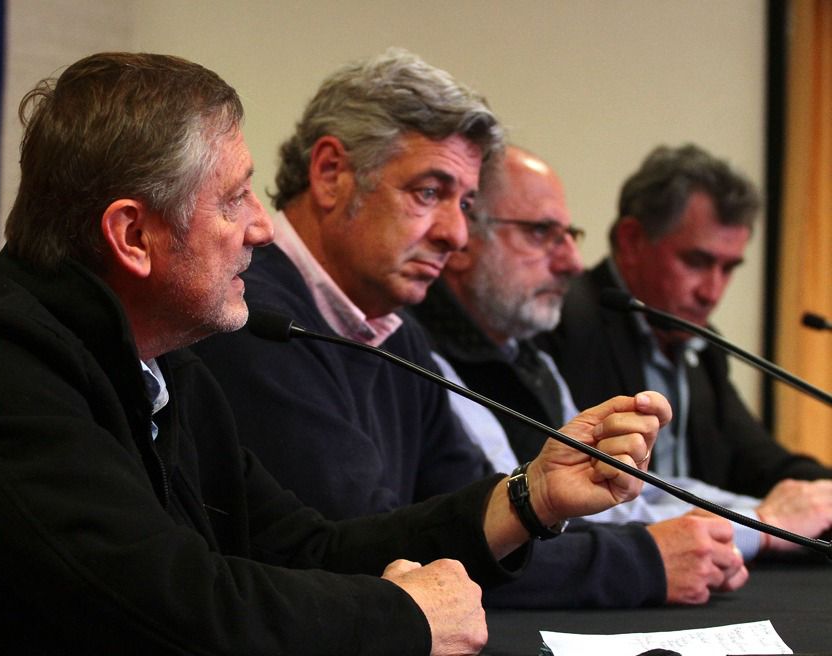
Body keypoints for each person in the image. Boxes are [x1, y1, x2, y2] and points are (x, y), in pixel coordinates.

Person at [0, 52, 665, 655]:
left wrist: (530, 497)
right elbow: (176, 612)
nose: (263, 226)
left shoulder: (160, 363)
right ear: (133, 235)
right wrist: (403, 618)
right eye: (234, 198)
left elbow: (307, 549)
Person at [192, 49, 699, 608]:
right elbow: (364, 553)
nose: (456, 235)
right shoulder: (250, 318)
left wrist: (536, 495)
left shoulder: (397, 331)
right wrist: (638, 561)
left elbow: (468, 510)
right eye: (429, 193)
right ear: (331, 173)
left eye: (466, 203)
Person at [413, 146, 830, 599]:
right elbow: (548, 511)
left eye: (728, 268)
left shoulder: (532, 351)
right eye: (540, 233)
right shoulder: (558, 326)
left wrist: (792, 510)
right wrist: (761, 524)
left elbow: (720, 469)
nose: (572, 262)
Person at [544, 144, 832, 525]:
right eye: (697, 262)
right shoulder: (562, 320)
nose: (711, 292)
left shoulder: (704, 347)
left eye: (728, 268)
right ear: (631, 241)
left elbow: (762, 463)